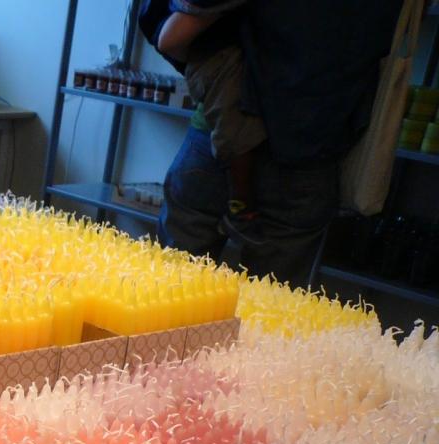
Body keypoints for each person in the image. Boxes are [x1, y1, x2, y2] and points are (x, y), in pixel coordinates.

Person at [141, 0, 405, 286]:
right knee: (272, 305)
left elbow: (172, 36)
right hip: (310, 151)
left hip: (221, 136)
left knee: (171, 290)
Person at [140, 0, 264, 243]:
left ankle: (241, 206)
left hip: (217, 131)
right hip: (246, 131)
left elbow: (169, 41)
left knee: (176, 263)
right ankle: (241, 205)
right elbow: (168, 39)